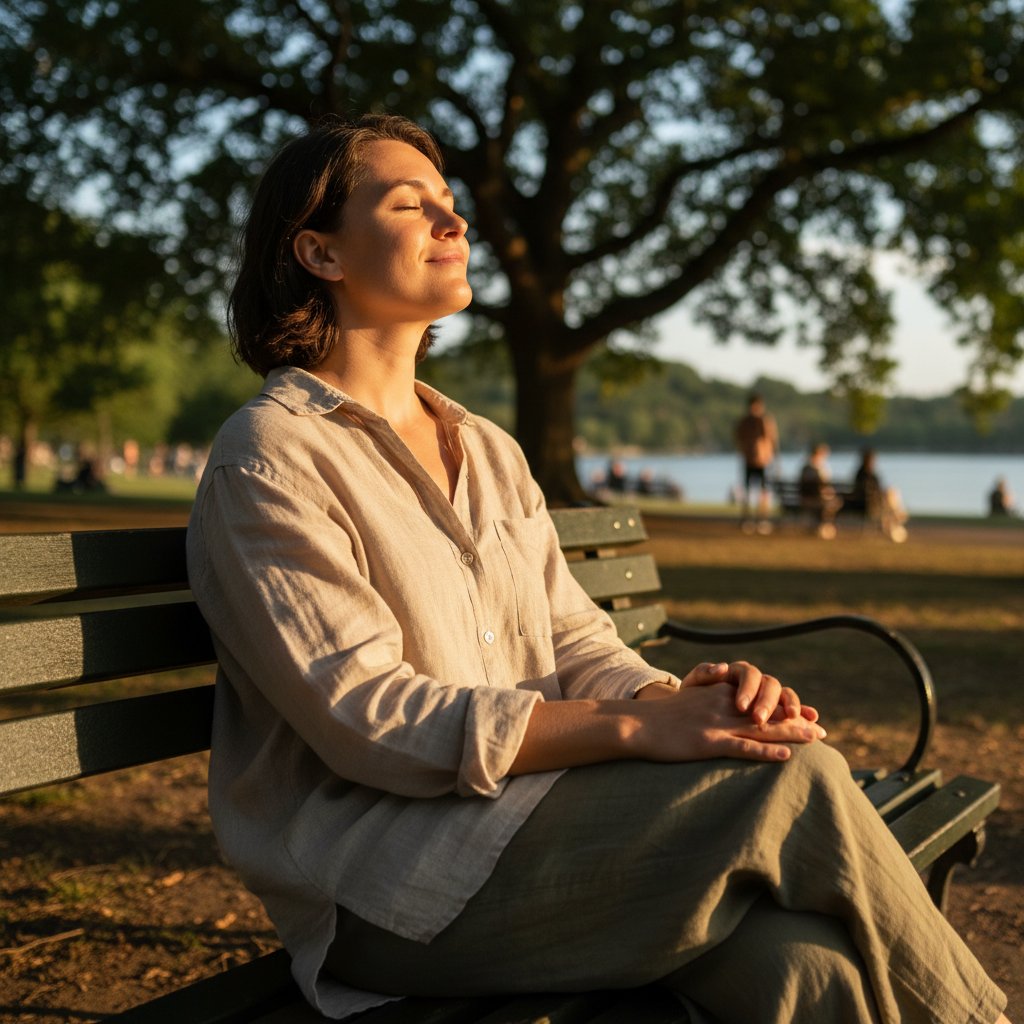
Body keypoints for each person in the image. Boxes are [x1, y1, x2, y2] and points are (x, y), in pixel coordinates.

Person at [186, 115, 1008, 1023]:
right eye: (411, 206)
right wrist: (631, 729)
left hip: (543, 831)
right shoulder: (271, 457)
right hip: (388, 889)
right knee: (793, 777)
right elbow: (368, 718)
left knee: (804, 971)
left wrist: (673, 699)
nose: (455, 226)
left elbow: (575, 636)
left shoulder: (488, 449)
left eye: (453, 207)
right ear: (321, 253)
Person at [734, 393, 778, 534]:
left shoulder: (766, 420)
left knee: (764, 492)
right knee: (746, 492)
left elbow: (771, 438)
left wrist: (773, 458)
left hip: (764, 462)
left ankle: (763, 520)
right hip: (749, 461)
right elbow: (738, 438)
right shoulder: (745, 422)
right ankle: (746, 519)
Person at [850, 448, 909, 543]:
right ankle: (897, 514)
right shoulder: (866, 475)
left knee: (891, 494)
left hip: (871, 503)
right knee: (891, 495)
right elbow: (872, 490)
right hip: (869, 505)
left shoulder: (863, 474)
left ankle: (896, 514)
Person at [799, 441, 844, 539]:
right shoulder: (818, 469)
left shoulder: (805, 468)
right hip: (818, 500)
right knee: (835, 502)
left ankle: (823, 526)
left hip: (804, 499)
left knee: (830, 502)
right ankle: (826, 527)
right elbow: (824, 486)